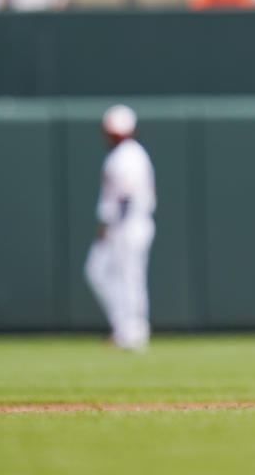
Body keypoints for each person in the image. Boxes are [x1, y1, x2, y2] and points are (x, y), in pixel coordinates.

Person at [84, 105, 156, 351]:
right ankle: (126, 328)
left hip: (128, 224)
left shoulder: (129, 155)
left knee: (130, 279)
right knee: (99, 272)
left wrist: (111, 226)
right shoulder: (126, 155)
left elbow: (125, 197)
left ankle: (135, 331)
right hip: (124, 224)